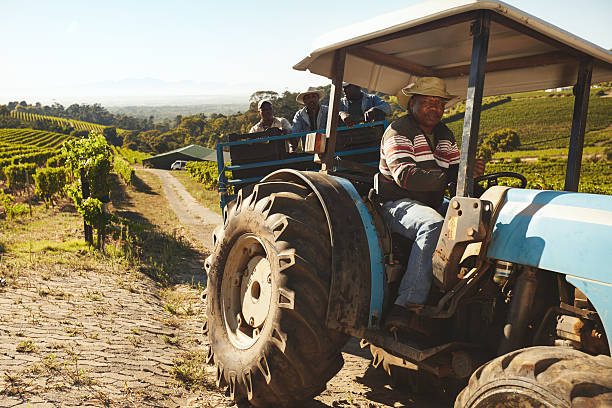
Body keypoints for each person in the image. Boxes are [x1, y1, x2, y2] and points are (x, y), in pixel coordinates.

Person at [378, 77, 485, 331]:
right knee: (434, 225)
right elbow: (406, 177)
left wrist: (470, 171)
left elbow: (454, 168)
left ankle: (463, 292)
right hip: (398, 202)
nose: (435, 108)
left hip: (433, 201)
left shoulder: (443, 133)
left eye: (439, 103)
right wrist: (453, 175)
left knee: (478, 220)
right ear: (412, 103)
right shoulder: (398, 131)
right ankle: (406, 304)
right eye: (427, 102)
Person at [290, 87, 328, 152]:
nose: (311, 100)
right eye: (308, 98)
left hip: (326, 148)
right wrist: (292, 148)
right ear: (304, 101)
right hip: (308, 150)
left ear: (318, 98)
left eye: (313, 96)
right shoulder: (300, 115)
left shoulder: (326, 110)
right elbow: (295, 133)